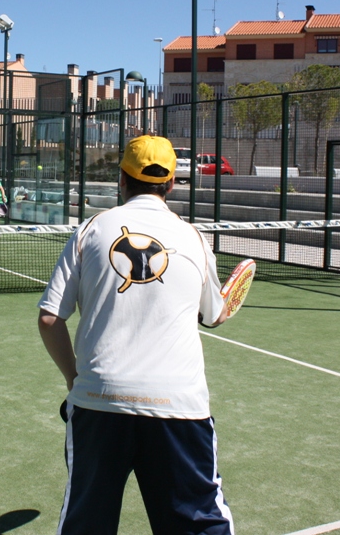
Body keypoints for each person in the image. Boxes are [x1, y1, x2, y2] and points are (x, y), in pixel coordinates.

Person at [37, 135, 234, 535]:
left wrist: (75, 380)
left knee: (86, 523)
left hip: (97, 400)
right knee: (199, 523)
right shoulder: (194, 238)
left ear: (121, 179)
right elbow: (214, 316)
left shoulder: (92, 229)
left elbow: (49, 319)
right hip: (179, 404)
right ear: (172, 183)